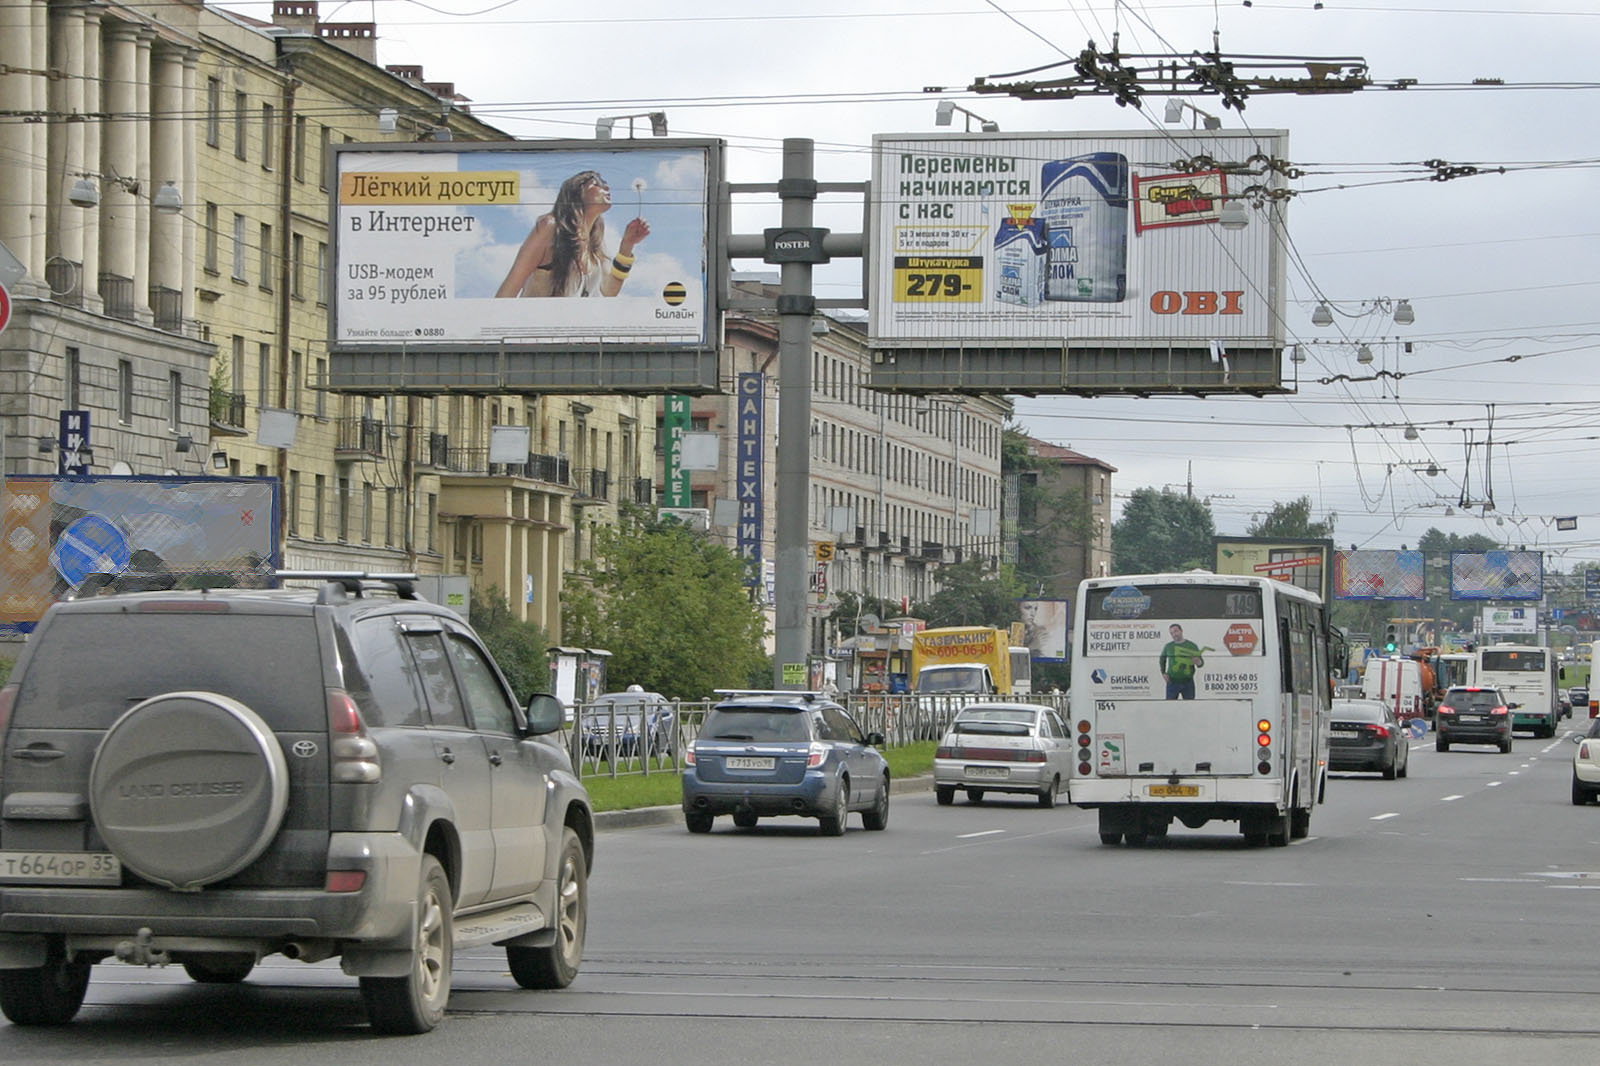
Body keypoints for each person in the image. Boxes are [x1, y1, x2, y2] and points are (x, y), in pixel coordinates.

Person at [495, 170, 650, 298]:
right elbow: (511, 286)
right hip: (534, 332)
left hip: (570, 334)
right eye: (597, 184)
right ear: (577, 193)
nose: (607, 188)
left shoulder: (594, 246)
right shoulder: (550, 228)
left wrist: (627, 246)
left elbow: (608, 292)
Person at [1159, 623, 1205, 700]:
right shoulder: (1168, 646)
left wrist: (1198, 661)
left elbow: (1201, 664)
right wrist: (1163, 672)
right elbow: (1162, 659)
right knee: (1169, 707)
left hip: (1188, 682)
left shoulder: (1192, 645)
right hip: (1172, 682)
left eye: (1176, 631)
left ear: (1181, 631)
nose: (1174, 634)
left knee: (1189, 707)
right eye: (1171, 633)